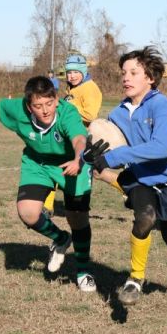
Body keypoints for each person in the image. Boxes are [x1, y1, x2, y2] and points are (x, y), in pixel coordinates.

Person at [82, 46, 167, 306]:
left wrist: (112, 159)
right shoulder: (117, 114)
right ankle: (135, 279)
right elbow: (107, 149)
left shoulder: (160, 104)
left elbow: (162, 147)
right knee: (144, 218)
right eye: (123, 73)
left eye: (134, 72)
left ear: (150, 78)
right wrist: (90, 156)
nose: (126, 78)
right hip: (141, 181)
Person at [0, 76, 97, 292]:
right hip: (37, 162)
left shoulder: (67, 113)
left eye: (49, 103)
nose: (45, 110)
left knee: (78, 219)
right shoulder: (19, 109)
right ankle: (61, 238)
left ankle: (83, 271)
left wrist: (78, 160)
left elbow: (79, 140)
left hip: (72, 163)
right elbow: (1, 107)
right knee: (28, 213)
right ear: (29, 106)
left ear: (56, 99)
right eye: (38, 106)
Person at [43, 53, 108, 217]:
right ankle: (47, 206)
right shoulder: (73, 87)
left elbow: (90, 114)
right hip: (67, 136)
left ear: (83, 72)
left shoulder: (90, 88)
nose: (71, 76)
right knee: (56, 165)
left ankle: (127, 191)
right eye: (69, 72)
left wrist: (68, 106)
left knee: (96, 172)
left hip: (81, 138)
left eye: (75, 72)